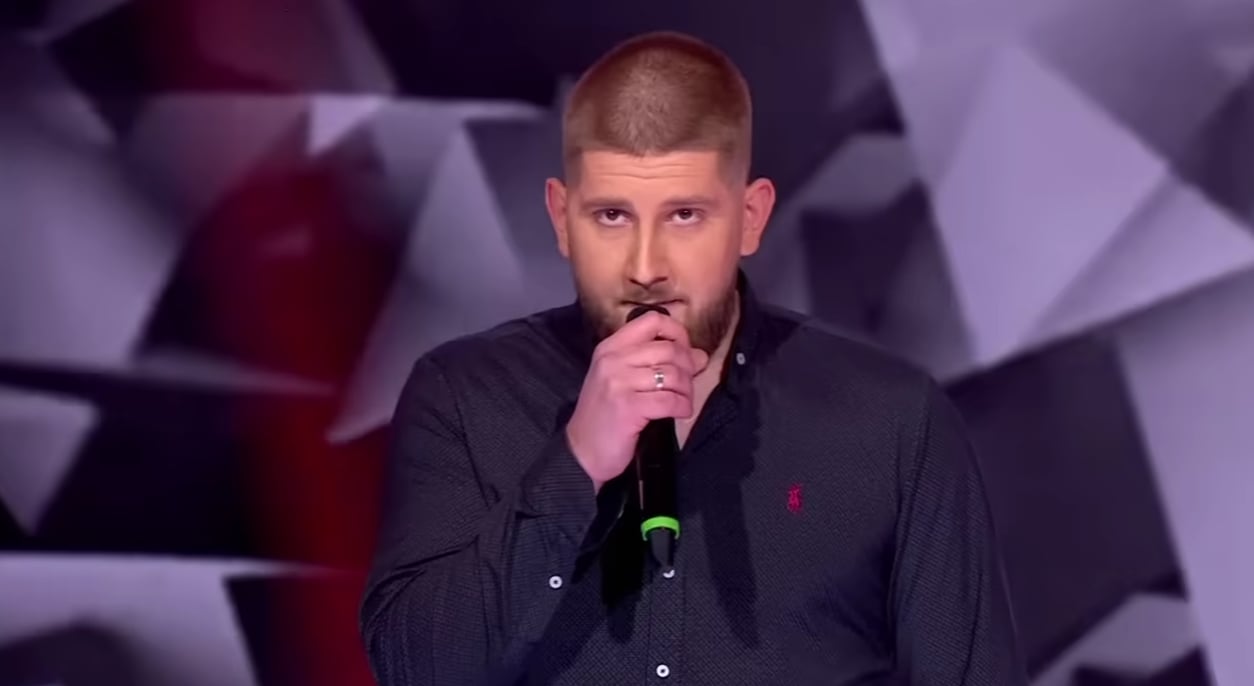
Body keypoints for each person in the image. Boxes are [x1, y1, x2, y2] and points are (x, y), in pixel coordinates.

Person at [359, 30, 1027, 686]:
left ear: (750, 217)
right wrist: (576, 465)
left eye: (684, 216)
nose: (646, 267)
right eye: (612, 216)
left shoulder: (891, 421)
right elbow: (416, 670)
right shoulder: (466, 399)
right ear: (562, 218)